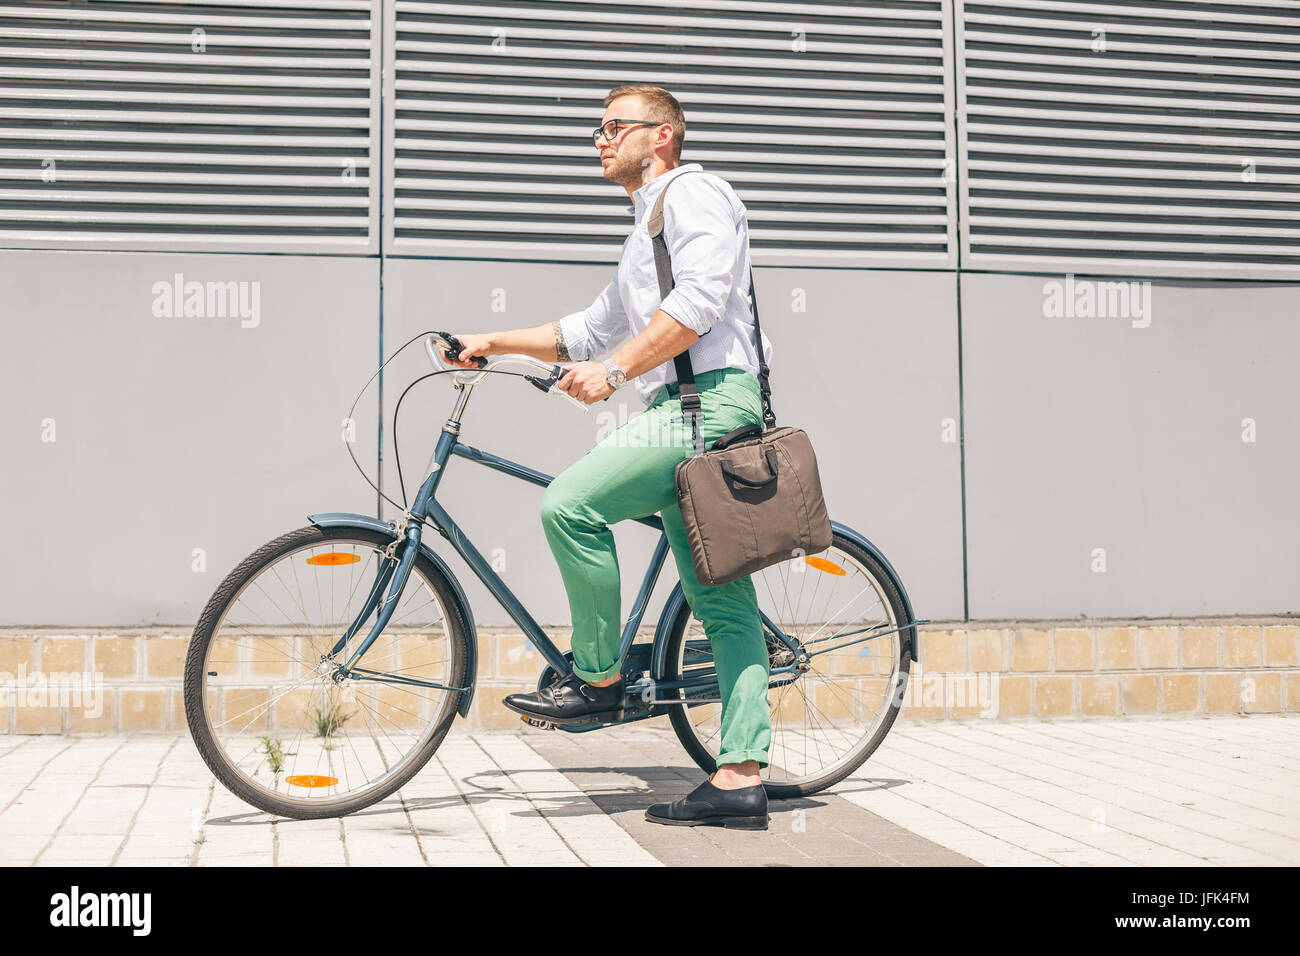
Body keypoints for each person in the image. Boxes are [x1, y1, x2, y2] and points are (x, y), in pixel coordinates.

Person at [440, 85, 774, 830]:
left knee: (571, 503)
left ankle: (596, 677)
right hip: (680, 407)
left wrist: (618, 371)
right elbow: (588, 331)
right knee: (720, 596)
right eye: (598, 127)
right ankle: (741, 778)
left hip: (709, 405)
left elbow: (701, 302)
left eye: (613, 126)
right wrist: (492, 342)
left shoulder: (694, 194)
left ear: (662, 136)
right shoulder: (644, 225)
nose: (599, 139)